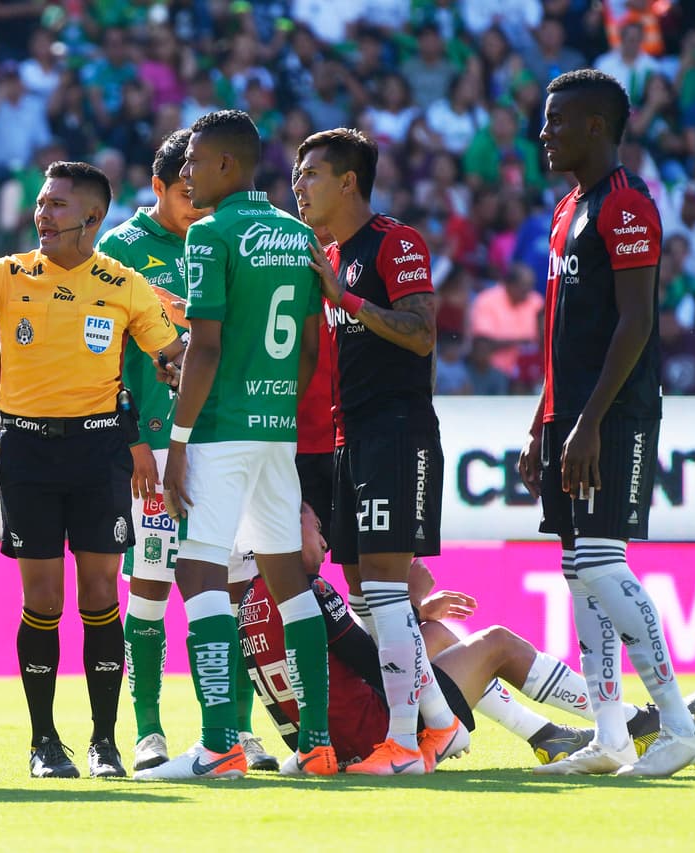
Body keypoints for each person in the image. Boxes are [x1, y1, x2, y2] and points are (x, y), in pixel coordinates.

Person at [0, 160, 184, 779]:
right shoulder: (4, 275)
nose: (42, 214)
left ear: (93, 217)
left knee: (100, 595)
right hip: (26, 453)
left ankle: (104, 743)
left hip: (98, 453)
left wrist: (181, 370)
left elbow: (174, 355)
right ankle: (43, 742)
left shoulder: (124, 284)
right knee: (42, 599)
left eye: (56, 205)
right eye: (40, 203)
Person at [517, 69, 695, 777]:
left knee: (601, 562)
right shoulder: (569, 208)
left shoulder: (628, 205)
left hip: (615, 412)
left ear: (595, 125)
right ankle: (610, 736)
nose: (544, 133)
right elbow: (560, 333)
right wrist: (543, 422)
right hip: (571, 415)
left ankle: (680, 726)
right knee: (579, 572)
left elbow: (636, 322)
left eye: (557, 120)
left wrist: (591, 420)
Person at [141, 110, 331, 781]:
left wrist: (178, 442)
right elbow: (309, 348)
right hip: (276, 431)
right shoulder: (297, 234)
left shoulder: (210, 232)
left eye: (194, 160)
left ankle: (219, 743)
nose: (186, 172)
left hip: (220, 431)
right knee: (288, 580)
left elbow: (207, 347)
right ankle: (317, 742)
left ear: (227, 164)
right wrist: (275, 408)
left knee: (198, 572)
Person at [239, 503, 695, 768]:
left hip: (321, 742)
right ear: (284, 529)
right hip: (373, 736)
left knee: (435, 635)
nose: (325, 541)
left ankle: (549, 735)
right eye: (316, 528)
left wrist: (415, 618)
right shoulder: (310, 591)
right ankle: (631, 720)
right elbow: (377, 665)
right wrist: (408, 603)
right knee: (497, 643)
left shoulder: (250, 599)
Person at [96, 129, 277, 773]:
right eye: (184, 192)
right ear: (158, 187)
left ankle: (236, 730)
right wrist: (134, 441)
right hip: (153, 448)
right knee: (149, 588)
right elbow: (105, 359)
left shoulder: (225, 237)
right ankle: (148, 730)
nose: (197, 202)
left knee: (233, 591)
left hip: (223, 444)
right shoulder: (121, 250)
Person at [295, 127, 467, 776]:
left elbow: (422, 334)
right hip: (350, 436)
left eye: (312, 173)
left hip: (395, 431)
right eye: (297, 173)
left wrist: (346, 299)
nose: (299, 185)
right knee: (364, 588)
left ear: (348, 182)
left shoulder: (396, 242)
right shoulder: (330, 255)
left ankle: (401, 746)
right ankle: (440, 723)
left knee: (387, 587)